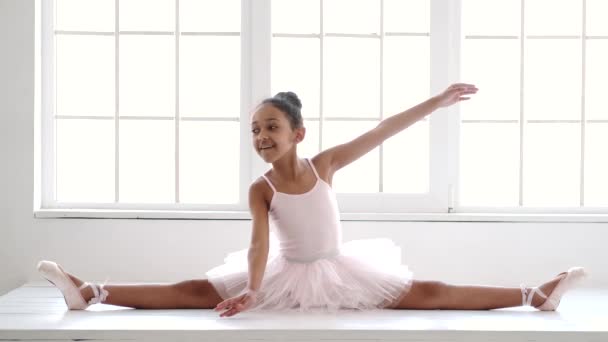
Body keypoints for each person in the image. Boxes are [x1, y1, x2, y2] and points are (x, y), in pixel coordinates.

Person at [37, 83, 587, 317]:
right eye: (254, 129)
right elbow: (256, 245)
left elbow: (384, 129)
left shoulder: (325, 165)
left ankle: (533, 294)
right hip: (282, 271)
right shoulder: (261, 188)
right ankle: (92, 290)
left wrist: (436, 103)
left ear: (298, 133)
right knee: (194, 290)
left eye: (271, 126)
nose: (261, 137)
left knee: (431, 291)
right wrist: (252, 291)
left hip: (340, 269)